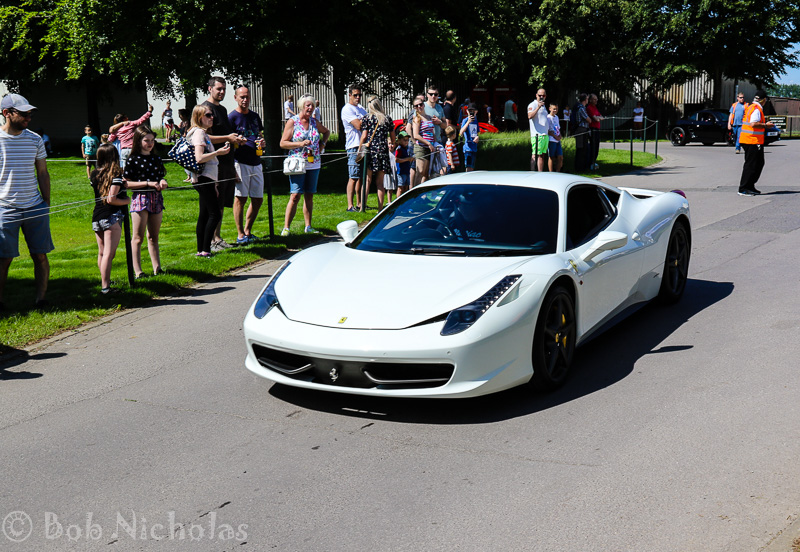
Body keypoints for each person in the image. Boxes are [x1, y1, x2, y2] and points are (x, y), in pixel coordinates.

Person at [0, 94, 53, 311]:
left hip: (35, 206)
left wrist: (46, 202)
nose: (28, 118)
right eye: (23, 114)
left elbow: (43, 173)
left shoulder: (35, 139)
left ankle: (41, 299)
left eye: (29, 114)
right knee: (4, 258)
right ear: (6, 113)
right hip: (5, 208)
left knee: (40, 255)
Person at [202, 76, 246, 251]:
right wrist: (227, 137)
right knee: (214, 203)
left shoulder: (222, 109)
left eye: (224, 89)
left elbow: (226, 134)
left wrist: (235, 139)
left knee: (222, 203)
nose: (221, 92)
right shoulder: (205, 109)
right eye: (218, 89)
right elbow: (203, 136)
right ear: (210, 89)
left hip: (227, 162)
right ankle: (212, 240)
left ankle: (217, 237)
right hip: (214, 164)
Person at [280, 94, 331, 235]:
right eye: (308, 105)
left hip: (314, 163)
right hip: (298, 163)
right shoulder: (293, 122)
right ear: (301, 106)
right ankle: (286, 228)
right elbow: (283, 143)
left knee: (309, 195)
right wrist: (300, 143)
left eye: (312, 106)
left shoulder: (314, 122)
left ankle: (308, 226)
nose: (310, 108)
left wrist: (322, 144)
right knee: (295, 195)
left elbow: (326, 132)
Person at [122, 125, 168, 278]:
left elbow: (160, 176)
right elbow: (126, 183)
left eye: (152, 140)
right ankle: (138, 271)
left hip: (156, 198)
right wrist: (148, 183)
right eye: (146, 140)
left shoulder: (156, 158)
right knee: (138, 237)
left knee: (153, 236)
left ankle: (157, 268)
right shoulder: (132, 160)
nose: (150, 143)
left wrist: (162, 181)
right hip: (140, 199)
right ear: (138, 141)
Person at [187, 105, 231, 256]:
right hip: (203, 178)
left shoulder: (201, 132)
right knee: (215, 214)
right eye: (208, 115)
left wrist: (215, 184)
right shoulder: (199, 133)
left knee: (205, 214)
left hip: (206, 178)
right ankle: (206, 249)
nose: (212, 118)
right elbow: (199, 158)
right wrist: (218, 152)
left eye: (212, 115)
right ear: (199, 117)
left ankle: (201, 250)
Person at [90, 143, 130, 293]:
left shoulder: (94, 174)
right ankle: (106, 287)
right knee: (108, 253)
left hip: (97, 216)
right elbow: (111, 199)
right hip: (111, 216)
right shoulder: (115, 175)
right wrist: (126, 201)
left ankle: (104, 281)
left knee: (101, 252)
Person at [228, 85, 266, 244]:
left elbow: (259, 134)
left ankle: (248, 231)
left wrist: (262, 142)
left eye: (247, 97)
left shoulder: (255, 116)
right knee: (240, 198)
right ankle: (240, 234)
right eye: (242, 97)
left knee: (258, 199)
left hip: (256, 161)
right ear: (235, 98)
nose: (245, 100)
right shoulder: (232, 117)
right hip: (240, 162)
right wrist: (236, 143)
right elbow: (227, 142)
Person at [358, 97, 396, 211]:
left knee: (367, 180)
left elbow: (364, 136)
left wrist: (360, 149)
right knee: (380, 183)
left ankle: (362, 207)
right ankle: (380, 209)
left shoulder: (367, 118)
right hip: (383, 151)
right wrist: (392, 144)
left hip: (371, 151)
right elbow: (393, 137)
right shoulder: (387, 119)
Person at [738, 89, 774, 196]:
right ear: (764, 100)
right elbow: (753, 124)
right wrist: (766, 125)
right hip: (752, 140)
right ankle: (744, 188)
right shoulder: (756, 109)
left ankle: (750, 186)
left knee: (758, 163)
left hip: (751, 140)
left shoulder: (752, 107)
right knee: (751, 164)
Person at [341, 85, 366, 211]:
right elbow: (358, 126)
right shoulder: (347, 109)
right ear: (349, 95)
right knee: (353, 176)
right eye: (355, 95)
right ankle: (350, 205)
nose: (358, 97)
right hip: (353, 146)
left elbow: (366, 123)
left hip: (364, 145)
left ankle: (359, 203)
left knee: (361, 176)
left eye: (359, 95)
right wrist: (365, 121)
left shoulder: (361, 108)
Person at [411, 97, 436, 186]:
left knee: (425, 173)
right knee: (420, 172)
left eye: (420, 104)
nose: (419, 107)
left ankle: (422, 192)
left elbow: (432, 132)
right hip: (421, 147)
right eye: (416, 106)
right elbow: (416, 135)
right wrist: (428, 143)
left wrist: (435, 143)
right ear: (414, 108)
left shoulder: (429, 117)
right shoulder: (417, 119)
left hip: (430, 147)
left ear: (424, 105)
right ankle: (415, 192)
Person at [528, 88, 549, 171]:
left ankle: (540, 172)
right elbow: (530, 116)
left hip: (544, 134)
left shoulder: (544, 106)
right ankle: (533, 172)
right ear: (536, 95)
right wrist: (538, 107)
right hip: (537, 135)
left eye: (543, 95)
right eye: (540, 95)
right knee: (535, 155)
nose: (541, 97)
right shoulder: (532, 104)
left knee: (542, 155)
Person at [572, 94, 592, 172]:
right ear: (584, 100)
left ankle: (582, 166)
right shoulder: (581, 108)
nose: (588, 100)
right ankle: (579, 167)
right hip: (581, 129)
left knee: (584, 148)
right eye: (587, 98)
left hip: (583, 129)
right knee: (581, 149)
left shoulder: (581, 108)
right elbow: (588, 120)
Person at [459, 103, 480, 172]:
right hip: (468, 148)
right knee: (468, 167)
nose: (471, 113)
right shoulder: (465, 120)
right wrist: (468, 122)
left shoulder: (476, 121)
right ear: (467, 111)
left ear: (476, 112)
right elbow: (461, 132)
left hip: (474, 147)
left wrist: (477, 137)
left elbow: (477, 133)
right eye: (470, 111)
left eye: (473, 111)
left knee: (472, 167)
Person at [587, 94, 604, 170]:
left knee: (597, 146)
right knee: (593, 146)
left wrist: (598, 117)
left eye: (596, 99)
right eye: (594, 99)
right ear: (590, 100)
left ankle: (594, 162)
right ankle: (591, 163)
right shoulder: (589, 108)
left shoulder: (595, 107)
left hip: (597, 129)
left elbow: (601, 117)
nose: (596, 100)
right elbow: (596, 119)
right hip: (592, 128)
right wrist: (597, 118)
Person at [394, 131, 413, 196]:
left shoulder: (406, 148)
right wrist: (407, 159)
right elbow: (396, 159)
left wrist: (411, 159)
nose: (406, 142)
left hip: (406, 170)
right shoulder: (399, 149)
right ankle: (398, 200)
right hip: (401, 172)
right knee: (400, 188)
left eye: (407, 140)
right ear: (399, 140)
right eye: (404, 140)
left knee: (406, 187)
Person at [547, 103, 563, 173]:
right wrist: (554, 136)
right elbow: (547, 130)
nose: (555, 110)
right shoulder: (548, 118)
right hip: (552, 139)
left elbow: (558, 128)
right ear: (550, 109)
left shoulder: (556, 117)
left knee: (560, 157)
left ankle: (557, 171)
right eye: (554, 109)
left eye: (556, 109)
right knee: (551, 156)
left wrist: (560, 135)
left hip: (557, 140)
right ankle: (551, 172)